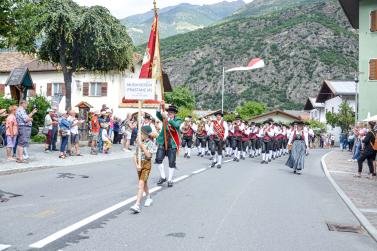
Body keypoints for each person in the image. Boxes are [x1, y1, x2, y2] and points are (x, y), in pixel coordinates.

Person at [155, 101, 182, 187]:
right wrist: (160, 106)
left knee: (171, 162)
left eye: (171, 112)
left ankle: (170, 179)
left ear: (174, 113)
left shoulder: (178, 120)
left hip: (172, 143)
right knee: (158, 159)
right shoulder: (164, 118)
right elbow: (158, 114)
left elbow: (176, 126)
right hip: (163, 142)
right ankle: (163, 177)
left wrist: (168, 119)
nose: (169, 113)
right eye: (168, 112)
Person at [129, 125, 155, 214]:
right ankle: (148, 197)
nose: (140, 135)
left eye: (142, 133)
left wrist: (142, 146)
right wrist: (136, 165)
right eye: (140, 133)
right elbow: (134, 155)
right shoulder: (139, 142)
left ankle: (137, 205)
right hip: (139, 163)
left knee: (140, 184)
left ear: (146, 134)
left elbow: (149, 155)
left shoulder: (151, 143)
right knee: (144, 183)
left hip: (146, 164)